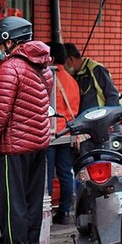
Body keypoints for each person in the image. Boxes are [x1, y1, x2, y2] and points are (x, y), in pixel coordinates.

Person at [0, 16, 54, 244]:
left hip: (15, 147)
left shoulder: (9, 68)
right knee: (32, 202)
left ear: (8, 41)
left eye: (0, 43)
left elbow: (0, 114)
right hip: (39, 144)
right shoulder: (44, 67)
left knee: (13, 205)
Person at [46, 42, 80, 226]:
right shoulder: (72, 81)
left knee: (47, 174)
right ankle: (65, 211)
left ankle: (45, 211)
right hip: (67, 132)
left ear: (50, 58)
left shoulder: (47, 78)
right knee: (66, 173)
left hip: (51, 133)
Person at [64, 43, 119, 112]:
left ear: (70, 59)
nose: (64, 68)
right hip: (82, 117)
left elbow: (112, 95)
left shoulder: (96, 69)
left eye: (63, 64)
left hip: (99, 116)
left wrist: (108, 115)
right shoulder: (74, 75)